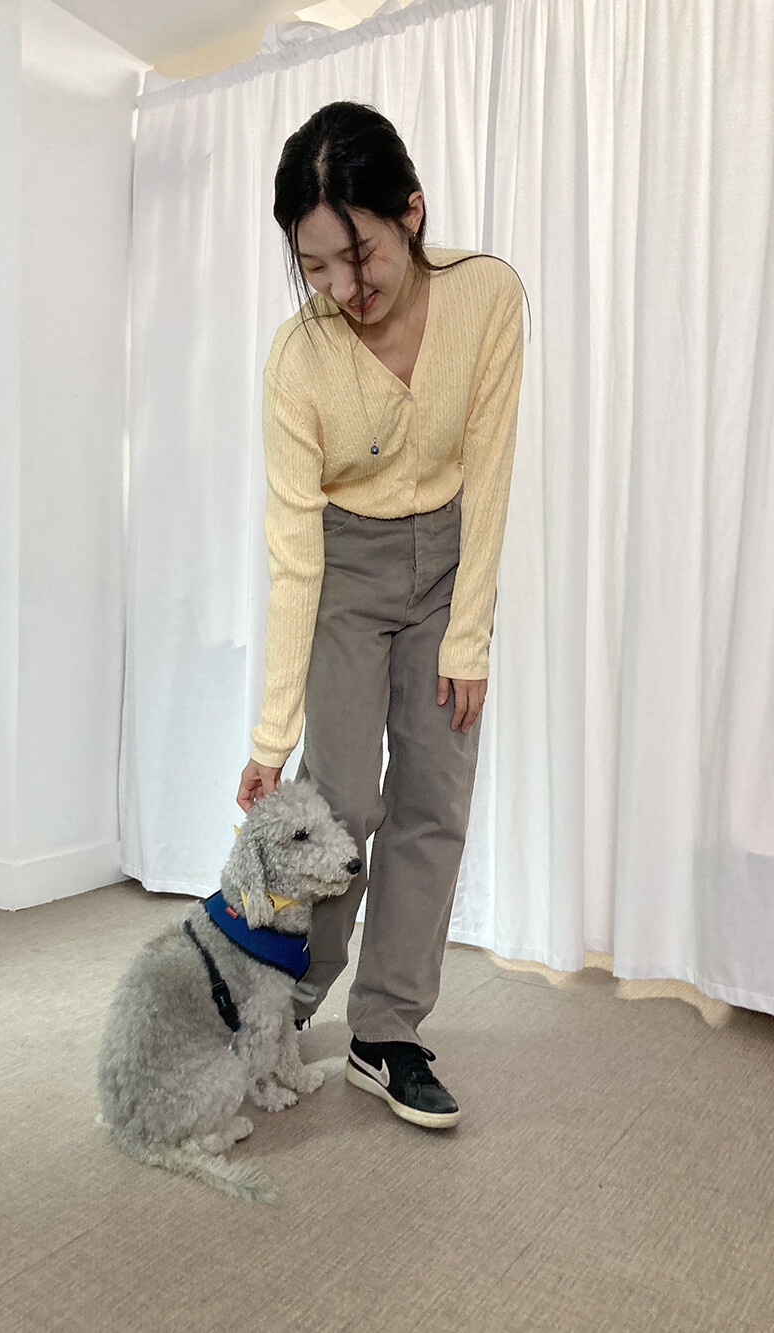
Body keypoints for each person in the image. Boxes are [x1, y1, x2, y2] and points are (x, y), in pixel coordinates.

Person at [236, 101, 526, 1129]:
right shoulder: (299, 359)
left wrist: (468, 636)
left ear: (410, 212)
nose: (342, 288)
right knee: (341, 804)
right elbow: (293, 555)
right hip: (344, 572)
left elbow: (490, 474)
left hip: (448, 566)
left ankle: (387, 1030)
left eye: (357, 256)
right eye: (314, 266)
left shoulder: (487, 296)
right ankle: (285, 998)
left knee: (435, 801)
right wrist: (270, 735)